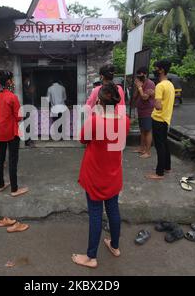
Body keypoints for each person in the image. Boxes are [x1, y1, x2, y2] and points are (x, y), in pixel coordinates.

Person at [73, 82, 130, 269]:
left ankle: (91, 257)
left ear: (99, 101)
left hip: (95, 175)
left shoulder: (95, 120)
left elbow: (83, 139)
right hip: (114, 174)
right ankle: (115, 246)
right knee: (113, 209)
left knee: (96, 213)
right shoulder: (126, 120)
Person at [0, 70, 29, 199]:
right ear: (9, 82)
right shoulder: (12, 97)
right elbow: (19, 117)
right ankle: (14, 189)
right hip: (11, 132)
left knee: (0, 159)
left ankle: (0, 184)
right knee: (13, 160)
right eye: (12, 80)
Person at [147, 60, 175, 180]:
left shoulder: (159, 85)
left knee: (159, 146)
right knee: (165, 143)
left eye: (156, 68)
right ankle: (167, 167)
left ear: (162, 70)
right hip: (166, 119)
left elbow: (158, 106)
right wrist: (155, 95)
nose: (155, 70)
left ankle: (159, 173)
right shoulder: (169, 84)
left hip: (158, 119)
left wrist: (153, 98)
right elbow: (164, 101)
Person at [133, 67, 156, 159]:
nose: (139, 76)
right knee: (142, 130)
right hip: (141, 110)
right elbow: (135, 96)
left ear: (145, 74)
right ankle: (142, 148)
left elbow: (145, 97)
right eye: (138, 75)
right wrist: (137, 87)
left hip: (148, 110)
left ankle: (148, 151)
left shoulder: (150, 83)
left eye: (140, 74)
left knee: (148, 130)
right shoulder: (140, 82)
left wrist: (139, 87)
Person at [23, 76, 36, 148]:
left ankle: (29, 140)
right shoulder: (24, 90)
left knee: (29, 125)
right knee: (27, 125)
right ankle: (28, 141)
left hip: (29, 108)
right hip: (26, 109)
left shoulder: (27, 89)